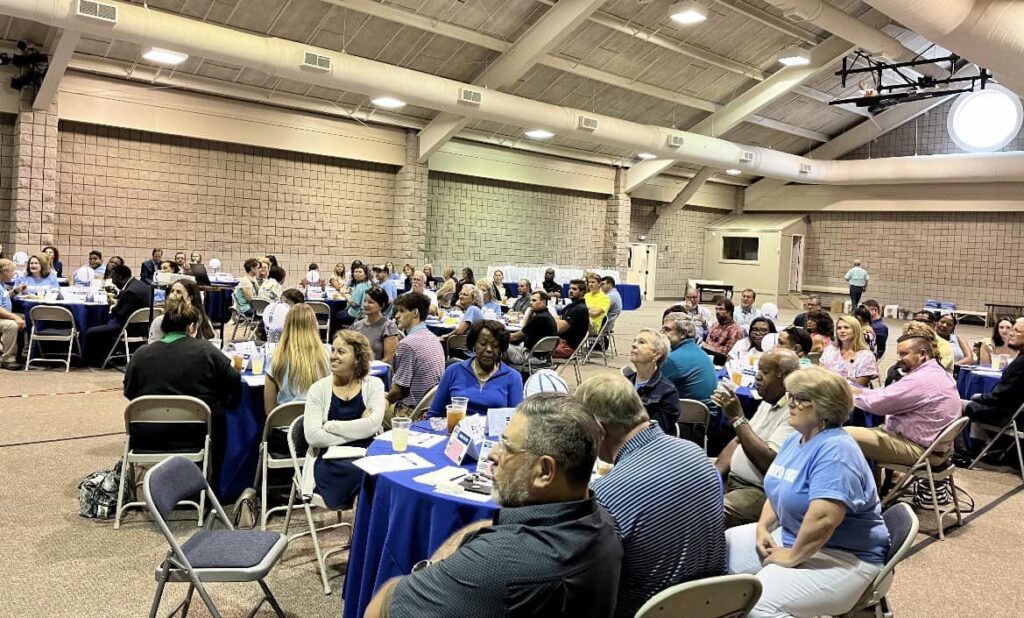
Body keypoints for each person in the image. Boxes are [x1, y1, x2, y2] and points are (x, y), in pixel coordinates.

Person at [365, 393, 622, 618]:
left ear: (544, 471)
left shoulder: (496, 565)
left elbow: (377, 611)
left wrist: (430, 570)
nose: (492, 454)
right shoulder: (606, 526)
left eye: (507, 446)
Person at [726, 366, 890, 618]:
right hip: (793, 536)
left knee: (759, 604)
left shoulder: (836, 451)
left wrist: (792, 557)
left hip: (845, 557)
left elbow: (825, 519)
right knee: (718, 554)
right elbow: (778, 487)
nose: (790, 403)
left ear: (824, 407)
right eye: (790, 396)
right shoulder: (796, 439)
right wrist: (762, 527)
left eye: (800, 399)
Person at [576, 375, 726, 618]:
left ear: (597, 430)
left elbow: (590, 578)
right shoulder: (696, 453)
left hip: (648, 609)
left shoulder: (607, 493)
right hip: (715, 605)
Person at [124, 298, 241, 490]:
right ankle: (211, 486)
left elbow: (130, 394)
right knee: (218, 412)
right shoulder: (206, 351)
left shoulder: (140, 355)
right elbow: (234, 382)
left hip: (146, 435)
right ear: (192, 327)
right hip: (196, 434)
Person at [847, 333, 962, 478]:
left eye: (903, 354)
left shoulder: (921, 379)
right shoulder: (935, 371)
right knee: (862, 434)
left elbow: (877, 405)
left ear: (922, 354)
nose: (898, 359)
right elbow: (887, 394)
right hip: (935, 449)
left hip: (921, 451)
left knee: (841, 435)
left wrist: (845, 393)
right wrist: (858, 391)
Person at [713, 349, 801, 528]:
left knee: (705, 513)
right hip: (733, 480)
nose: (758, 377)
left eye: (765, 372)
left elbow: (770, 464)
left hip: (759, 491)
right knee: (683, 485)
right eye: (758, 370)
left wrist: (737, 419)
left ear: (785, 378)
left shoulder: (794, 412)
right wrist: (712, 475)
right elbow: (740, 439)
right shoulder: (769, 401)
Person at [302, 330, 386, 508]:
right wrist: (360, 429)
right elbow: (314, 437)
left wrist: (330, 425)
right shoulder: (318, 389)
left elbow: (372, 426)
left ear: (357, 358)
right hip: (331, 463)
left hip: (367, 454)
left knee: (383, 471)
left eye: (341, 352)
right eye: (332, 350)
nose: (333, 356)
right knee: (369, 474)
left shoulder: (374, 385)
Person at [428, 320, 524, 418]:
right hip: (455, 430)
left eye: (495, 346)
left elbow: (516, 421)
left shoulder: (513, 377)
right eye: (483, 344)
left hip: (495, 432)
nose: (489, 349)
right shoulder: (453, 371)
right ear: (473, 345)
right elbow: (434, 414)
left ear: (501, 349)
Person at [386, 292, 445, 416]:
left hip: (409, 412)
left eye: (401, 311)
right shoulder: (433, 337)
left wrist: (383, 401)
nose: (396, 316)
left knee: (364, 407)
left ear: (415, 313)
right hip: (429, 408)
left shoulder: (407, 345)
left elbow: (399, 391)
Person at [264, 304, 330, 413]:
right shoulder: (329, 354)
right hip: (320, 424)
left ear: (286, 325)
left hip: (284, 425)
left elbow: (269, 410)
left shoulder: (275, 358)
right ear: (314, 324)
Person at [963, 317, 1024, 433]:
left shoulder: (1021, 363)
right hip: (1013, 412)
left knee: (955, 403)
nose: (1011, 333)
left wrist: (979, 397)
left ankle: (954, 447)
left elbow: (1000, 396)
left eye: (1017, 331)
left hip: (1005, 415)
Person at [86, 265, 153, 366]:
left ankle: (97, 361)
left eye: (113, 277)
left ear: (120, 277)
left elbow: (121, 313)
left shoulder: (130, 291)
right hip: (145, 326)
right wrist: (118, 299)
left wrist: (113, 305)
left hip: (130, 329)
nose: (112, 281)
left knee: (91, 331)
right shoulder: (141, 286)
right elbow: (129, 304)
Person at [622, 329, 680, 435]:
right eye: (634, 341)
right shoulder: (624, 382)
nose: (634, 345)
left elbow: (657, 434)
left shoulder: (668, 392)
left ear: (656, 355)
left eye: (641, 342)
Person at [660, 312, 717, 404]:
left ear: (683, 333)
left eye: (667, 330)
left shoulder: (672, 359)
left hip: (687, 415)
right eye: (662, 329)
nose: (662, 334)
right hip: (705, 413)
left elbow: (652, 389)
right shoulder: (699, 352)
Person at [149, 279, 216, 343]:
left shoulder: (204, 321)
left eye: (178, 292)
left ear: (191, 297)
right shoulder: (159, 321)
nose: (173, 295)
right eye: (172, 291)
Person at [820, 315, 878, 387]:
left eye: (846, 328)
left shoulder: (866, 357)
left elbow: (858, 387)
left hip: (852, 395)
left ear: (855, 330)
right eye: (839, 328)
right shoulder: (829, 350)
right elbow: (820, 376)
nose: (842, 331)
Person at [505, 290, 558, 367]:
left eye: (534, 300)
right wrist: (529, 314)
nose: (530, 303)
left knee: (499, 345)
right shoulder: (547, 316)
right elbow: (524, 329)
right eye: (530, 300)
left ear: (543, 302)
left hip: (530, 357)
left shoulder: (539, 318)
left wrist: (496, 337)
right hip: (543, 357)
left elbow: (515, 337)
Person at [351, 287, 400, 365]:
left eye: (371, 302)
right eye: (365, 301)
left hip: (378, 371)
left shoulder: (388, 326)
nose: (366, 305)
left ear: (382, 305)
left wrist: (367, 369)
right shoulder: (356, 325)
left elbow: (388, 359)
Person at [702, 297, 745, 365]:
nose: (717, 312)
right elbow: (708, 342)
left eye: (721, 309)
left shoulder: (736, 330)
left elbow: (727, 353)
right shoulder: (715, 324)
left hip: (722, 363)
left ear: (729, 311)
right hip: (707, 358)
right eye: (716, 309)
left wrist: (705, 347)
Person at [554, 279, 590, 358]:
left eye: (574, 289)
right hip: (560, 342)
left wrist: (555, 320)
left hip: (566, 348)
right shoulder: (570, 306)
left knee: (532, 348)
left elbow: (559, 328)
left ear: (582, 292)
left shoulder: (579, 309)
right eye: (570, 288)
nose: (570, 291)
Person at [0, 258, 25, 370]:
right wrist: (14, 317)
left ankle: (21, 353)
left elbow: (3, 298)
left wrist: (15, 292)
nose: (13, 275)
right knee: (11, 325)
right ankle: (8, 359)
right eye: (12, 272)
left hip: (3, 317)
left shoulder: (2, 284)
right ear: (4, 272)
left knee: (25, 318)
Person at [339, 264, 372, 328]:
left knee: (337, 315)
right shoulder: (368, 284)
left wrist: (346, 296)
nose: (357, 273)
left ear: (365, 275)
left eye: (360, 272)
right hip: (365, 314)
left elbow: (354, 304)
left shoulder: (360, 286)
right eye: (355, 272)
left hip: (357, 315)